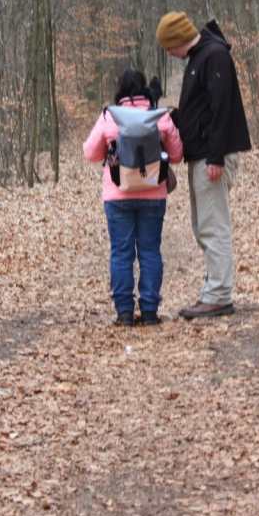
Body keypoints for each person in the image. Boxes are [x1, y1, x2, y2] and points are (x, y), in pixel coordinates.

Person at [155, 11, 251, 319]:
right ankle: (214, 288)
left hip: (212, 157)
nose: (170, 54)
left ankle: (219, 294)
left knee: (213, 225)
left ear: (179, 40)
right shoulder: (199, 59)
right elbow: (200, 110)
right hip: (202, 155)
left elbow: (222, 110)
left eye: (170, 47)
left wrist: (215, 156)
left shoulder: (215, 57)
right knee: (202, 226)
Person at [83, 70, 184, 327]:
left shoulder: (110, 116)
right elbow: (176, 154)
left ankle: (124, 312)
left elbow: (91, 153)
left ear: (120, 91)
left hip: (117, 195)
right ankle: (150, 311)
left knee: (121, 252)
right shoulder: (158, 118)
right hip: (153, 195)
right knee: (150, 250)